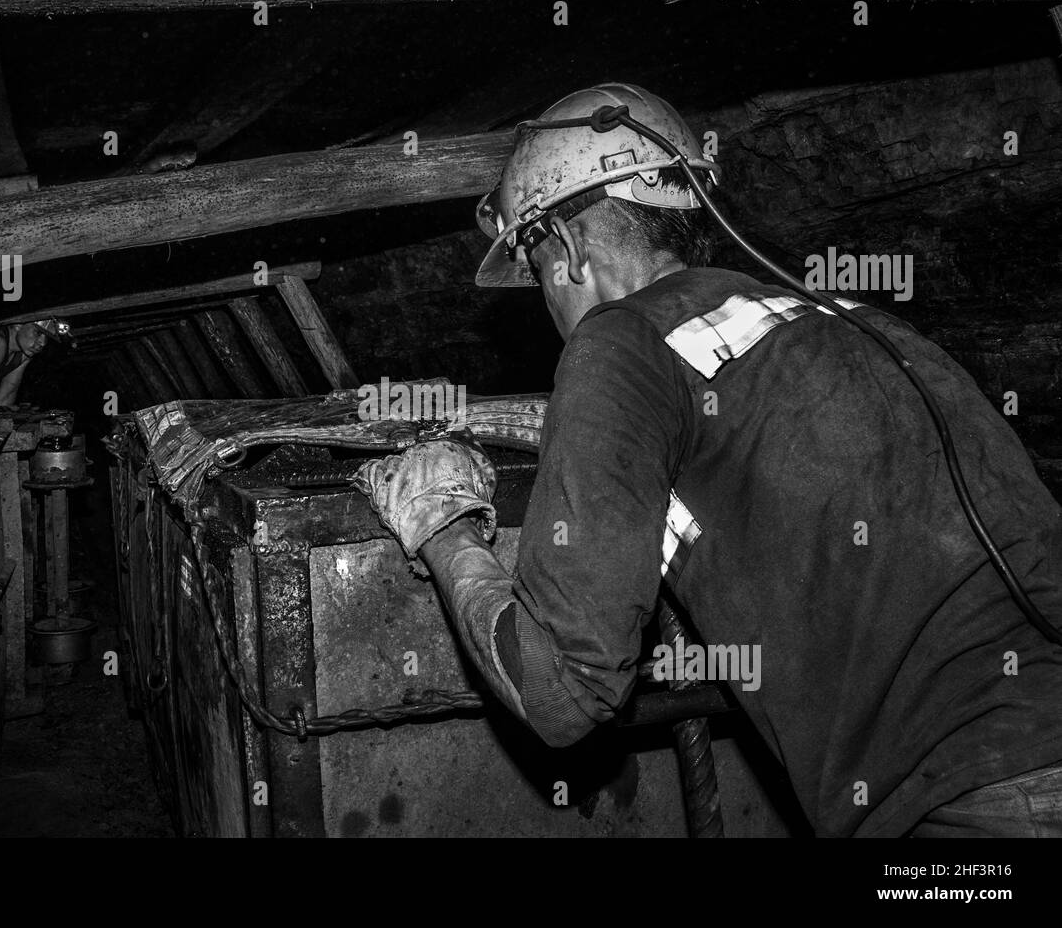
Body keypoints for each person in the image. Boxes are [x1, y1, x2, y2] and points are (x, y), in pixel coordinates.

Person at [355, 83, 1062, 837]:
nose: (546, 301)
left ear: (563, 248)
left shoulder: (617, 341)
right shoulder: (855, 322)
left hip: (971, 798)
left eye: (534, 276)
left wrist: (445, 531)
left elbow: (563, 689)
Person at [0, 318, 70, 407]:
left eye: (47, 338)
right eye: (38, 333)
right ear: (18, 325)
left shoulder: (23, 356)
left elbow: (6, 396)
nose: (43, 343)